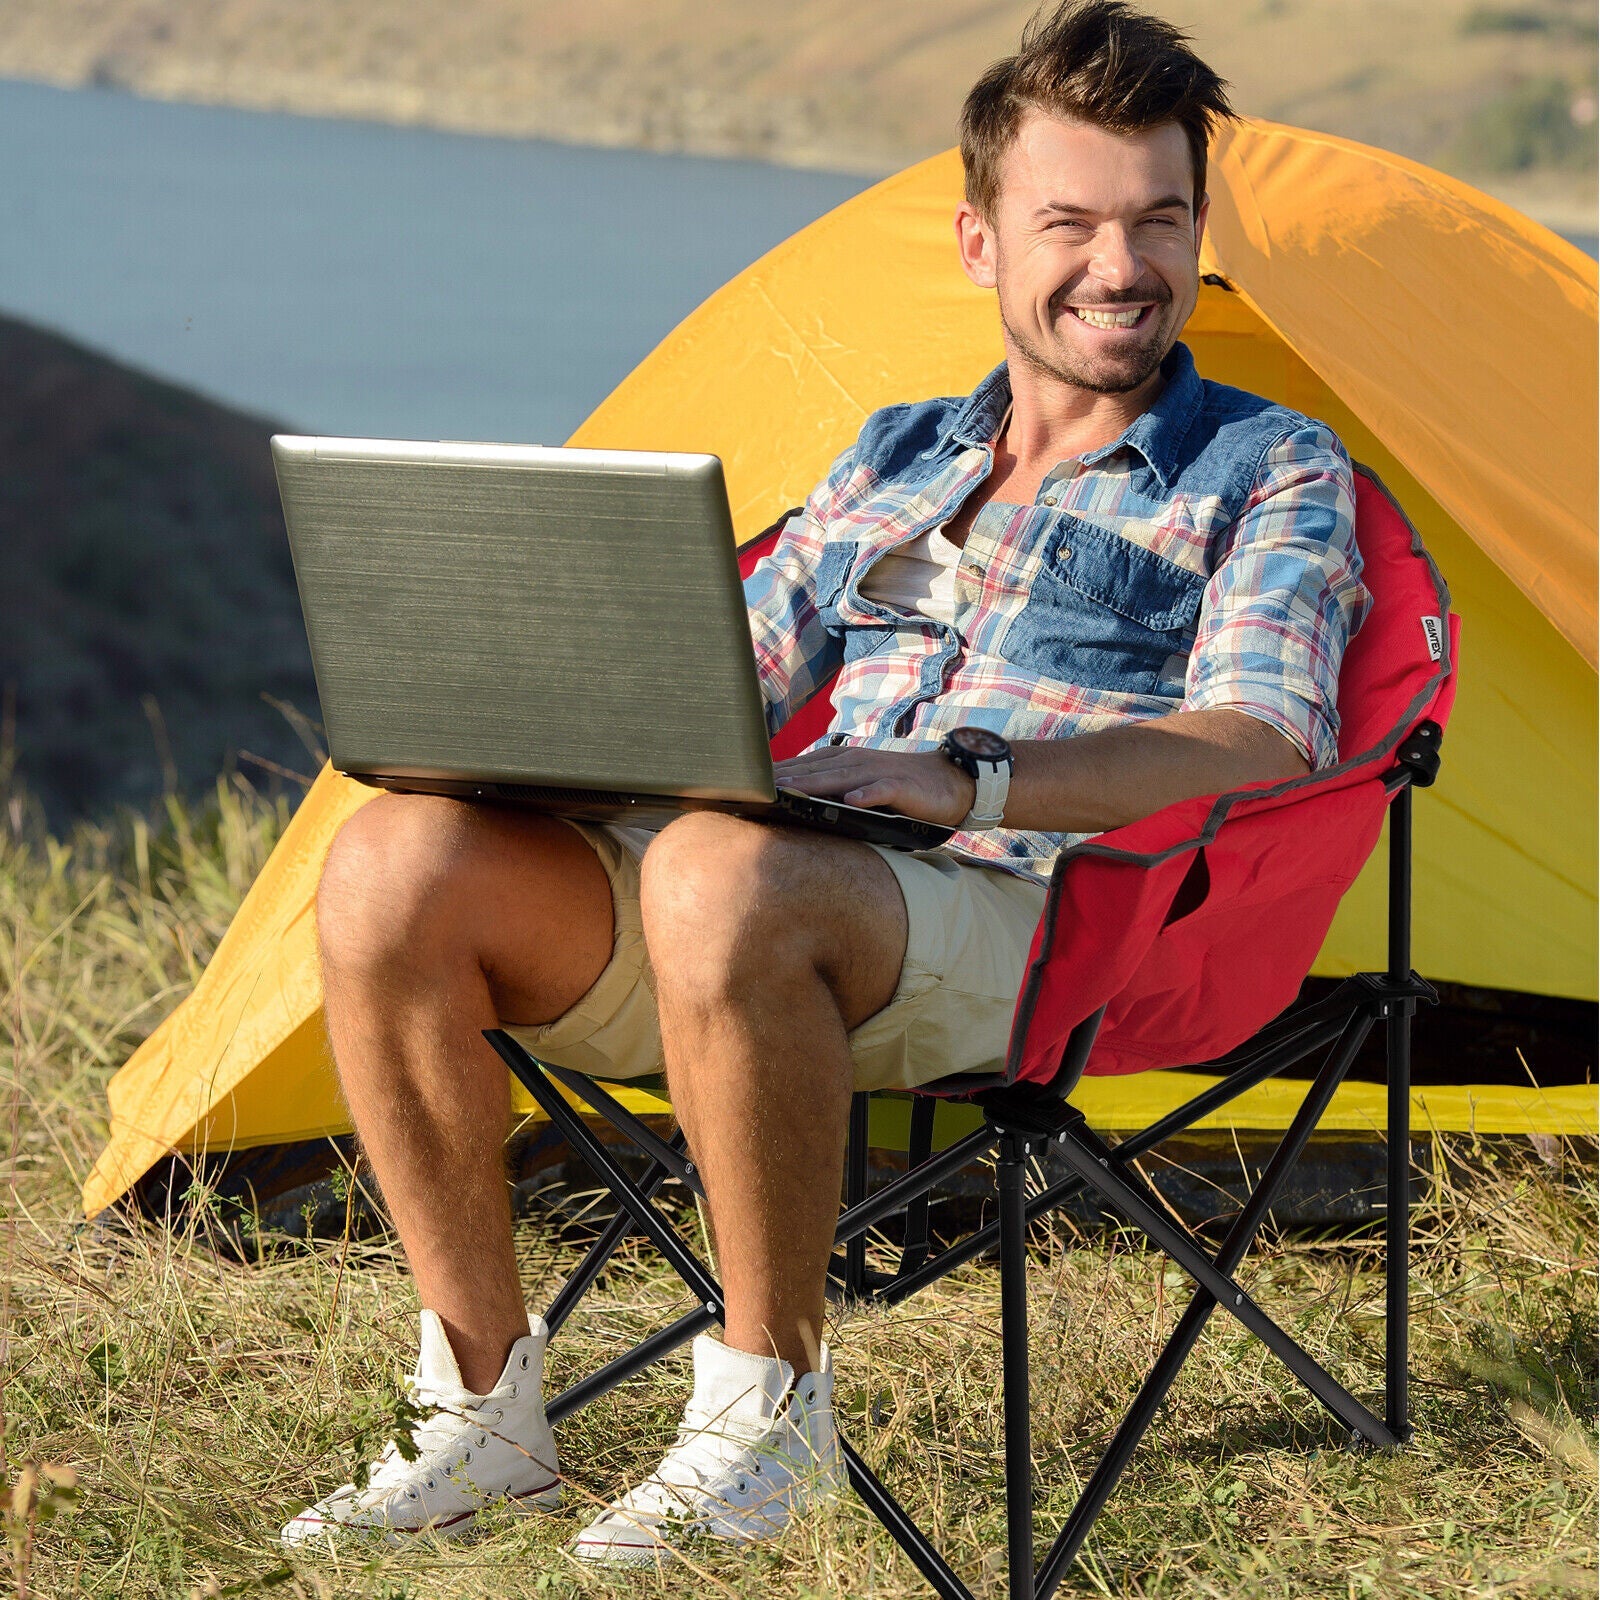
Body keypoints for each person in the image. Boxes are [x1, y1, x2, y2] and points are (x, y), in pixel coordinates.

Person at [281, 0, 1368, 1565]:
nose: (1120, 267)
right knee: (397, 861)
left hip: (1045, 916)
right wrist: (538, 718)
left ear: (1198, 231)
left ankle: (764, 1417)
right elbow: (729, 665)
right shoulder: (897, 454)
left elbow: (1257, 743)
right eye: (1069, 222)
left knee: (725, 873)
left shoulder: (1267, 471)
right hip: (772, 894)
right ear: (982, 241)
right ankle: (476, 1415)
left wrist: (968, 780)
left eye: (1159, 220)